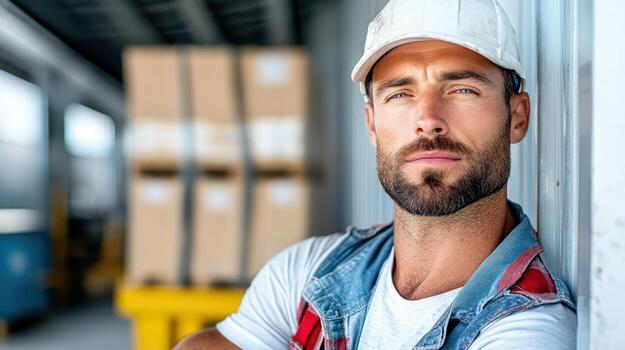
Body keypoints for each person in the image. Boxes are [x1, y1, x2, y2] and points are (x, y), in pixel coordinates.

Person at [175, 0, 577, 348]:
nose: (428, 120)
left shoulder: (529, 327)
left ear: (517, 117)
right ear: (371, 124)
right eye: (400, 93)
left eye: (462, 89)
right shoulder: (307, 272)